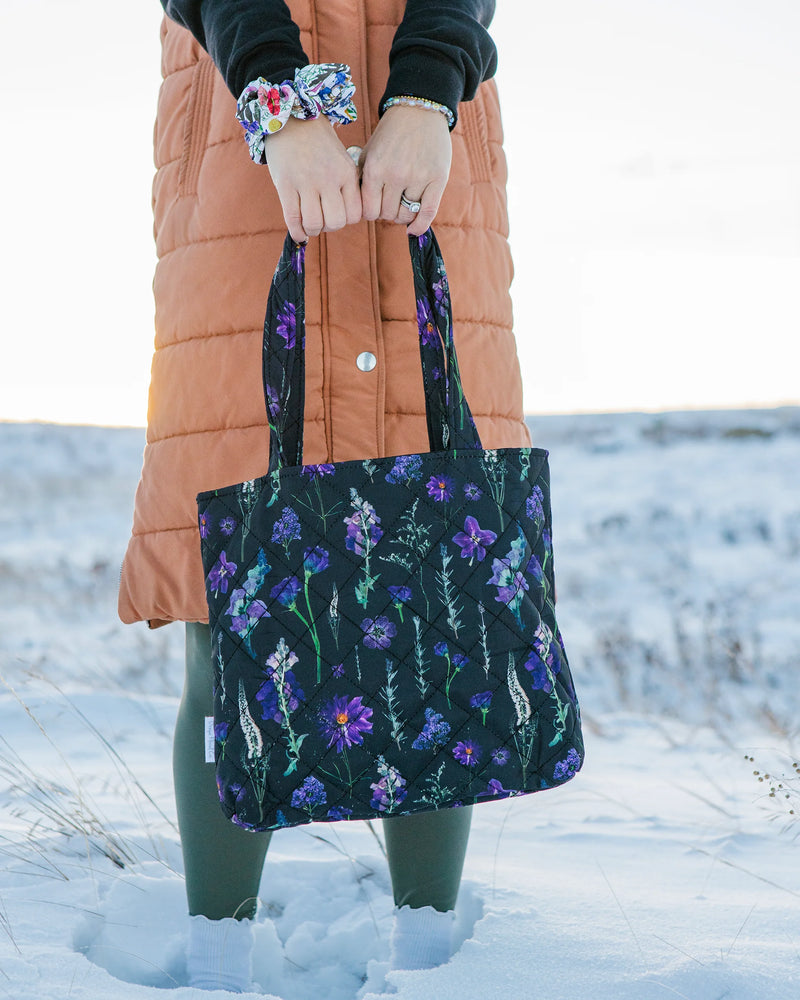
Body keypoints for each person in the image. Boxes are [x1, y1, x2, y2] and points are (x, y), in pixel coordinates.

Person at [119, 0, 531, 991]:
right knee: (233, 595)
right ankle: (218, 966)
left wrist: (429, 89)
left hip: (422, 143)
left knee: (435, 590)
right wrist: (275, 97)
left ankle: (429, 964)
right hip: (239, 149)